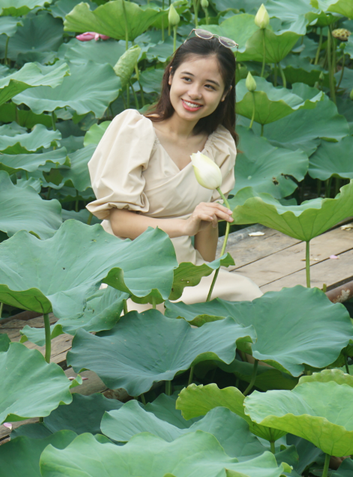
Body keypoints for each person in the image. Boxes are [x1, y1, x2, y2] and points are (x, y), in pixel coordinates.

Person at [87, 29, 262, 306]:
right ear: (170, 76)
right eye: (187, 79)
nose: (194, 93)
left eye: (209, 86)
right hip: (127, 269)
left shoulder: (219, 144)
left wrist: (207, 249)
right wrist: (186, 225)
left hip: (184, 270)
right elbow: (118, 223)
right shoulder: (134, 131)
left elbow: (206, 243)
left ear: (225, 94)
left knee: (247, 299)